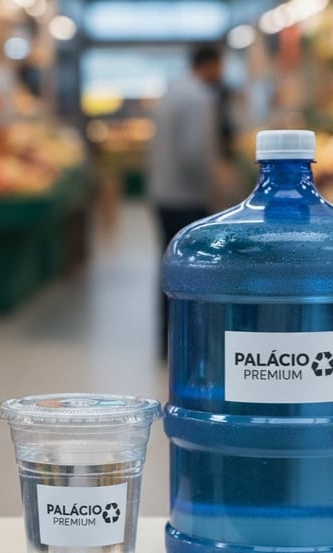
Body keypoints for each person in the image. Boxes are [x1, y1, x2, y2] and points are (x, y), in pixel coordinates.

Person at [149, 45, 224, 358]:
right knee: (193, 272)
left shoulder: (171, 92)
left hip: (164, 193)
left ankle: (167, 340)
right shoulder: (198, 97)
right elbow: (194, 154)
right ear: (212, 64)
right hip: (187, 196)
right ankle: (190, 343)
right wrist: (215, 188)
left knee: (170, 266)